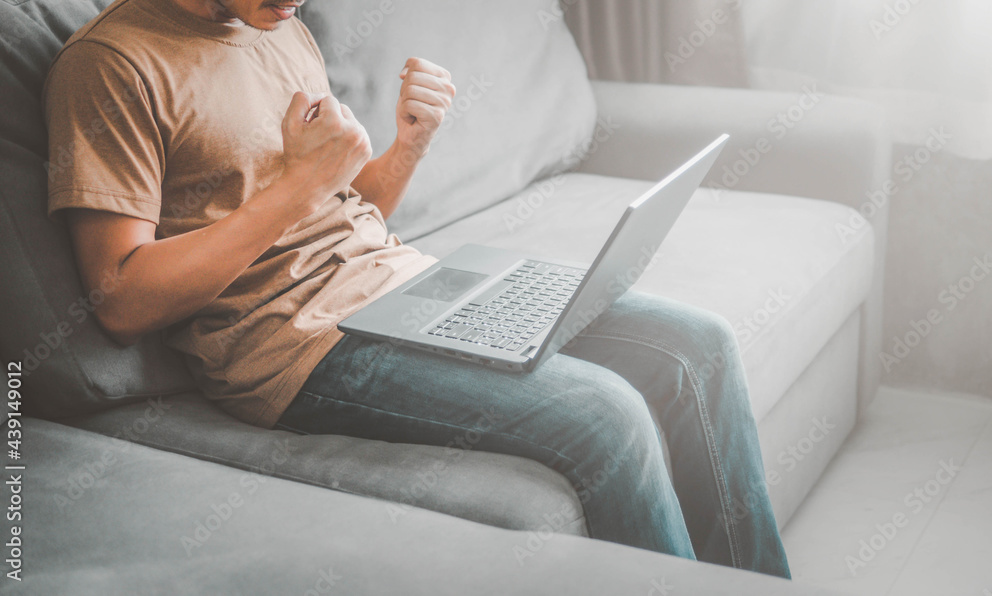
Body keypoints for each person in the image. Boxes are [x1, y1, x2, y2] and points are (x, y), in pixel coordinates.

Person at [43, 0, 790, 578]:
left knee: (698, 344)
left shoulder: (278, 24)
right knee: (607, 416)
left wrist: (408, 144)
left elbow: (347, 209)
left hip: (412, 283)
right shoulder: (112, 63)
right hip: (297, 346)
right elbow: (120, 299)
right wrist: (304, 179)